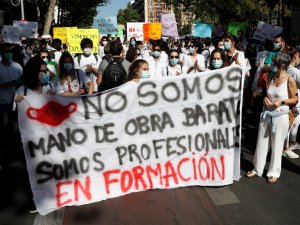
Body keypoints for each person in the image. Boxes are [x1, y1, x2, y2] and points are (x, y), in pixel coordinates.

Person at [246, 53, 298, 183]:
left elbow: (295, 99)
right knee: (261, 142)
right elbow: (268, 94)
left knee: (277, 145)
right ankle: (257, 169)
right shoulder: (272, 77)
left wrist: (281, 102)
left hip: (280, 117)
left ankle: (274, 172)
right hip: (266, 114)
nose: (272, 65)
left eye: (274, 63)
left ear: (282, 65)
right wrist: (265, 98)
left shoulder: (290, 80)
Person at [0, 43, 23, 169]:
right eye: (5, 51)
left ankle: (16, 150)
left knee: (16, 126)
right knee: (3, 127)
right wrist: (8, 84)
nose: (8, 53)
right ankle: (3, 151)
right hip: (2, 102)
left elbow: (23, 80)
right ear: (2, 53)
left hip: (16, 101)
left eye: (10, 51)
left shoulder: (17, 66)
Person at [284, 48, 300, 158]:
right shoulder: (295, 71)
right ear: (295, 56)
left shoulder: (287, 68)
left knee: (295, 123)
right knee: (289, 125)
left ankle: (291, 144)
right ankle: (285, 148)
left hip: (290, 100)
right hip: (294, 101)